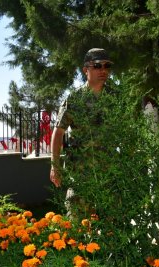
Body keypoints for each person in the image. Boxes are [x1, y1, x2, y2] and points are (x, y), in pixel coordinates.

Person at [50, 48, 116, 217]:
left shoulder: (116, 98)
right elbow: (58, 133)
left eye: (107, 66)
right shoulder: (74, 100)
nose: (103, 70)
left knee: (111, 230)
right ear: (86, 69)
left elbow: (126, 131)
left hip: (109, 176)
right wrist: (55, 166)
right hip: (81, 177)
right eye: (98, 66)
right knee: (77, 229)